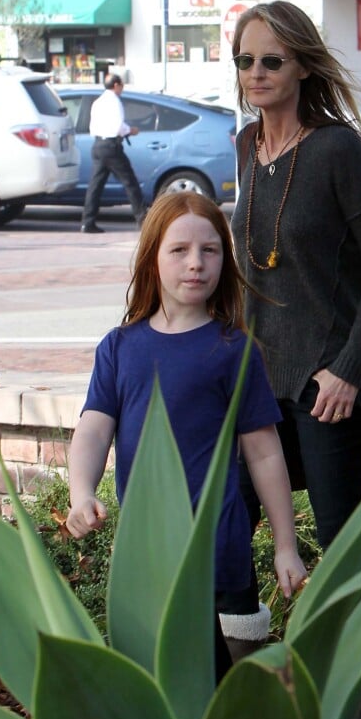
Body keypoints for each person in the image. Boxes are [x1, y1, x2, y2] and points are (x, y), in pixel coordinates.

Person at [223, 0, 361, 719]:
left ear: (301, 66)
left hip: (327, 383)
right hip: (259, 382)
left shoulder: (337, 151)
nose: (257, 73)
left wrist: (347, 368)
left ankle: (358, 702)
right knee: (227, 518)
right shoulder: (244, 146)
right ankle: (247, 677)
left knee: (339, 537)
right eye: (245, 60)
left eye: (272, 60)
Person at [66, 190, 307, 681]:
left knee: (225, 695)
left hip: (221, 553)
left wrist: (286, 544)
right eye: (179, 250)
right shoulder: (120, 348)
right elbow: (93, 429)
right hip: (148, 559)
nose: (196, 264)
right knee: (159, 686)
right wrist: (80, 492)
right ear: (153, 258)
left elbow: (263, 454)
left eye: (210, 250)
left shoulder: (234, 350)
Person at [80, 73, 147, 233]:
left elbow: (93, 126)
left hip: (98, 145)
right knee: (130, 182)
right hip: (111, 146)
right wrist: (132, 130)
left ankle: (87, 222)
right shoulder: (114, 101)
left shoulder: (98, 102)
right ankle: (142, 219)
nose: (122, 88)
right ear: (116, 85)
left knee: (95, 186)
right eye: (121, 85)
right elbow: (119, 126)